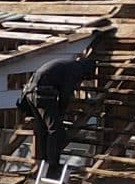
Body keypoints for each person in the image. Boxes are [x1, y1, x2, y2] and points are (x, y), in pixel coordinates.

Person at [19, 29, 112, 168]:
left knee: (42, 128)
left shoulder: (67, 64)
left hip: (30, 93)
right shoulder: (76, 70)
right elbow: (66, 92)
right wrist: (62, 110)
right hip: (42, 94)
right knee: (55, 129)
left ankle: (42, 161)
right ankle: (52, 165)